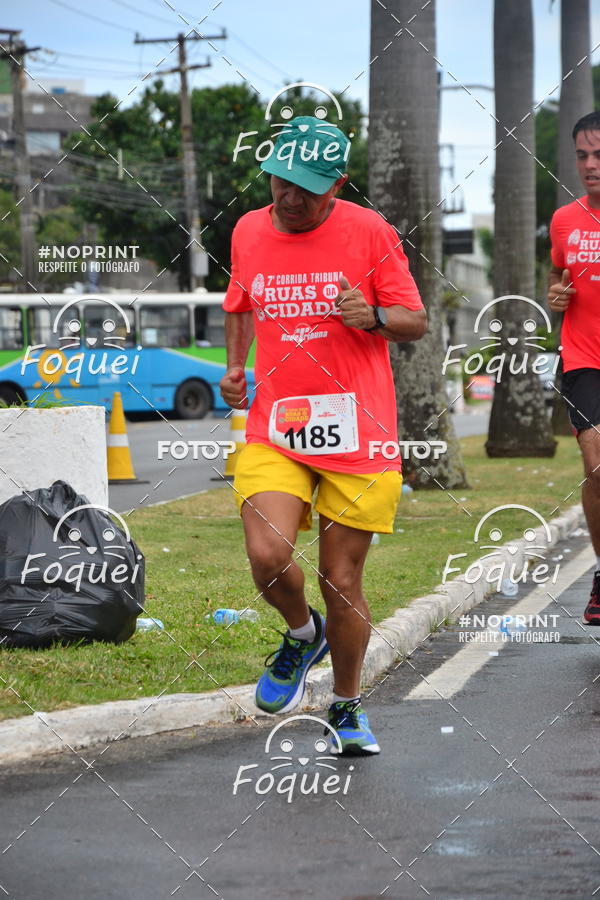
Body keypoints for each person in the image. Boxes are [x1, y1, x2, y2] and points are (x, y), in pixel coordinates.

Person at [220, 116, 426, 755]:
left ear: (337, 183)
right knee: (267, 555)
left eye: (309, 187)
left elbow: (414, 320)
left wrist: (373, 317)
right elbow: (241, 305)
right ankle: (299, 632)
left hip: (357, 433)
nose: (292, 197)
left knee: (342, 578)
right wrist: (234, 367)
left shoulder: (370, 232)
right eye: (283, 181)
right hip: (279, 427)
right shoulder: (249, 229)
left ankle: (346, 705)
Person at [548, 110, 600, 625]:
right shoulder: (565, 220)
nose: (590, 165)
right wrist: (556, 294)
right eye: (582, 155)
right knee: (595, 462)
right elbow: (557, 272)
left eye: (599, 154)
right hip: (584, 357)